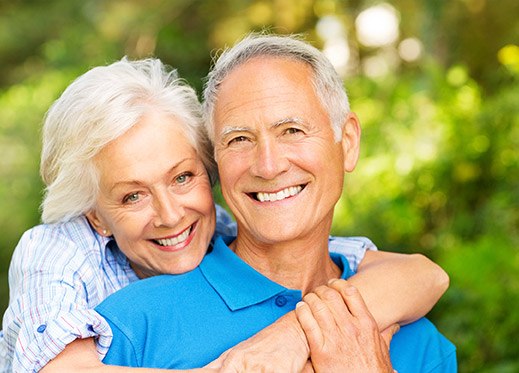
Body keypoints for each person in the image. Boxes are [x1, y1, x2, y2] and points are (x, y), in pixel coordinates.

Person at [1, 57, 447, 373]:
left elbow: (424, 274)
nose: (171, 215)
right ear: (95, 216)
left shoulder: (416, 335)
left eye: (181, 178)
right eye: (132, 196)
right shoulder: (113, 320)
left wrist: (294, 336)